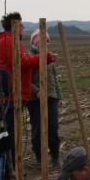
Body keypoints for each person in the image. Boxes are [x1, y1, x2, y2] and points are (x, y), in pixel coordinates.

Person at [0, 13, 55, 159]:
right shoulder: (8, 41)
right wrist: (45, 58)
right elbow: (21, 62)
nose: (23, 28)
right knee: (11, 133)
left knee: (13, 132)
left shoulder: (11, 41)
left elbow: (23, 60)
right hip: (10, 95)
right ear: (14, 26)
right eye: (21, 25)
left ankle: (13, 163)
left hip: (14, 94)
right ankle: (11, 165)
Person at [26, 27, 61, 164]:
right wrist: (37, 91)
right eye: (40, 42)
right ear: (34, 43)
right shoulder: (29, 58)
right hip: (35, 100)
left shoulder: (49, 57)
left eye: (46, 42)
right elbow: (26, 80)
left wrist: (59, 96)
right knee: (38, 130)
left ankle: (55, 157)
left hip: (51, 98)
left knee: (53, 128)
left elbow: (54, 78)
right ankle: (39, 157)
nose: (44, 44)